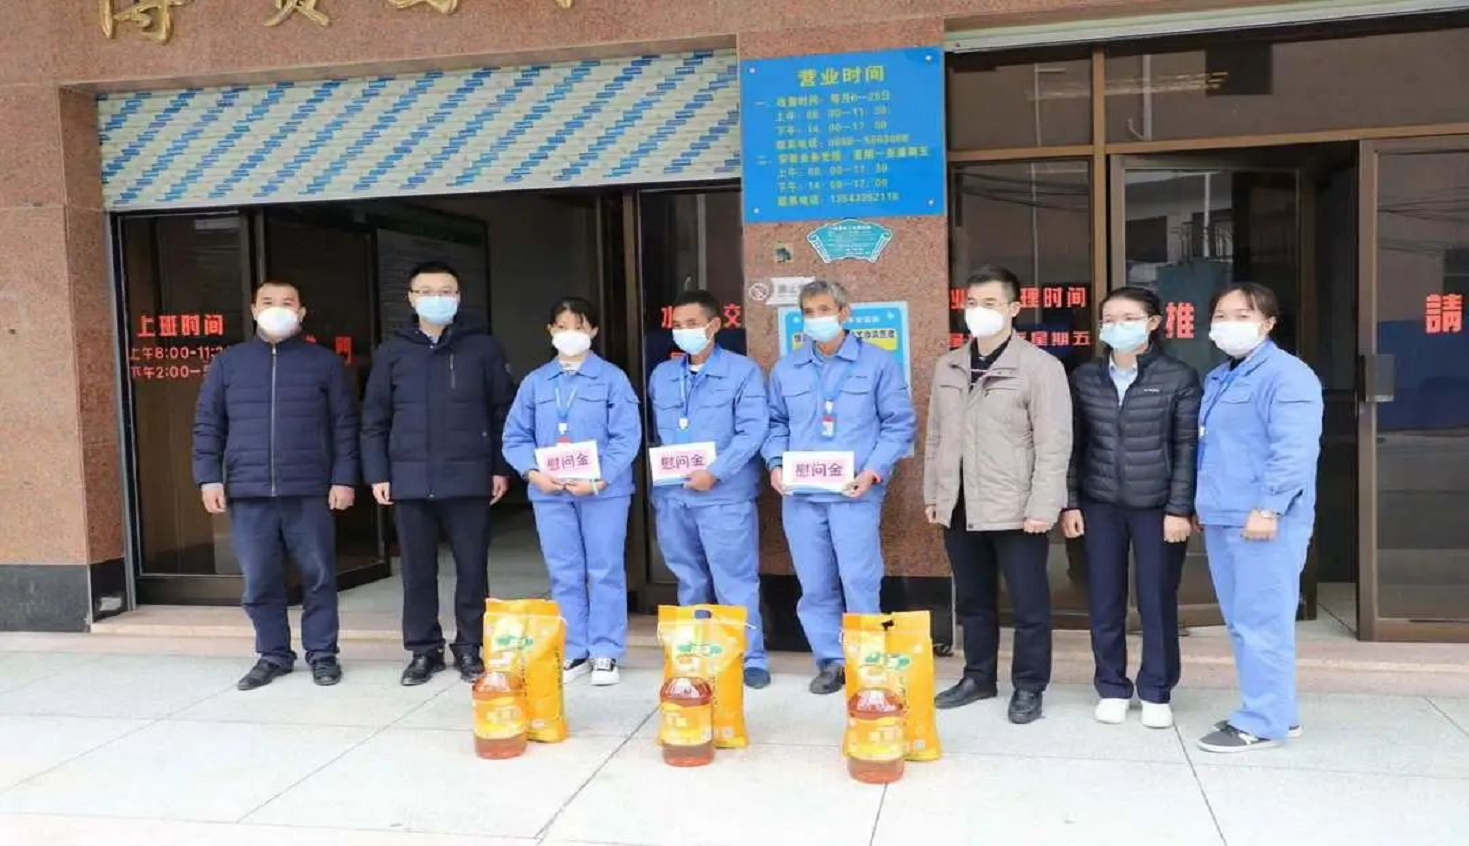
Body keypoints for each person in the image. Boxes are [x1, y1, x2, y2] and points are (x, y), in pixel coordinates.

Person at [192, 280, 359, 691]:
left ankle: (323, 654)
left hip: (309, 488)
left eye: (287, 302)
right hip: (248, 490)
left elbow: (345, 426)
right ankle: (273, 655)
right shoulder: (229, 363)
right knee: (260, 580)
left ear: (301, 312)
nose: (277, 308)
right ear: (253, 310)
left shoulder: (324, 363)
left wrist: (343, 478)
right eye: (268, 302)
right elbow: (208, 424)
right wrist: (208, 477)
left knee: (318, 576)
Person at [923, 266, 1071, 724]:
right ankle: (978, 677)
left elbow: (1054, 442)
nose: (978, 311)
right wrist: (934, 494)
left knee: (1029, 605)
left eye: (990, 303)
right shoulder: (948, 365)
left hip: (1017, 508)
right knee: (973, 600)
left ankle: (1029, 685)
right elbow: (935, 437)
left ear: (1014, 308)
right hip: (959, 504)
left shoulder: (1040, 367)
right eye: (972, 303)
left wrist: (1044, 506)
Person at [361, 262, 514, 686]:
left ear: (458, 297)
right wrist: (377, 473)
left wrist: (500, 467)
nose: (437, 298)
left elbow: (504, 412)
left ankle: (470, 646)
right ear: (411, 299)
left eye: (446, 291)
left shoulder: (482, 348)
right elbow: (374, 418)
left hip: (470, 474)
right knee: (417, 571)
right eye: (427, 291)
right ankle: (423, 650)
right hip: (410, 477)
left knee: (472, 568)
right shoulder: (392, 352)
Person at [762, 280, 915, 695]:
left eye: (824, 310)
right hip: (801, 496)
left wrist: (873, 471)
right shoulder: (787, 369)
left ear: (844, 313)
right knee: (815, 584)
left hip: (853, 493)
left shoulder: (877, 363)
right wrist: (775, 464)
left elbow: (899, 424)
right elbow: (775, 423)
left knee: (859, 579)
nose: (817, 319)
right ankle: (830, 661)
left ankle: (866, 661)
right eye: (808, 312)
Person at [1060, 286, 1201, 729]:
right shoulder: (1085, 378)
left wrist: (1179, 509)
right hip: (1100, 503)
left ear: (1153, 323)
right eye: (1109, 319)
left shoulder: (1178, 377)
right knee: (1104, 599)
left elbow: (1186, 448)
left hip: (1157, 506)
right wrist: (1070, 502)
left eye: (1129, 318)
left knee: (1157, 600)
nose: (1117, 326)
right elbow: (1072, 446)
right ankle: (1111, 686)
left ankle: (1157, 689)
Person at [1193, 283, 1322, 753]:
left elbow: (1294, 450)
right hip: (1226, 515)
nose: (1229, 324)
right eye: (1221, 315)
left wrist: (1269, 506)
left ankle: (1262, 722)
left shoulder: (1287, 376)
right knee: (1242, 621)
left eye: (1242, 315)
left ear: (1268, 323)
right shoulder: (1221, 377)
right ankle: (1276, 713)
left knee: (1262, 623)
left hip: (1265, 519)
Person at [501, 297, 641, 687]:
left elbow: (626, 436)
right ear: (550, 331)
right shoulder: (535, 382)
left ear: (593, 330)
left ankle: (606, 651)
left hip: (602, 492)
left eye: (579, 327)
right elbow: (515, 437)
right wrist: (532, 473)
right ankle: (575, 648)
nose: (570, 335)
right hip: (551, 491)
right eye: (562, 327)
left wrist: (601, 478)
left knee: (604, 570)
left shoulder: (612, 379)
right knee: (563, 571)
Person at [648, 290, 771, 689]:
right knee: (689, 581)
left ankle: (749, 657)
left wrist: (716, 471)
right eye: (678, 325)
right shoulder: (663, 375)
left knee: (735, 581)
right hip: (675, 495)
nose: (684, 331)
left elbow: (753, 430)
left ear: (715, 325)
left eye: (693, 324)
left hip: (724, 496)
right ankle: (696, 654)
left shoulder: (742, 371)